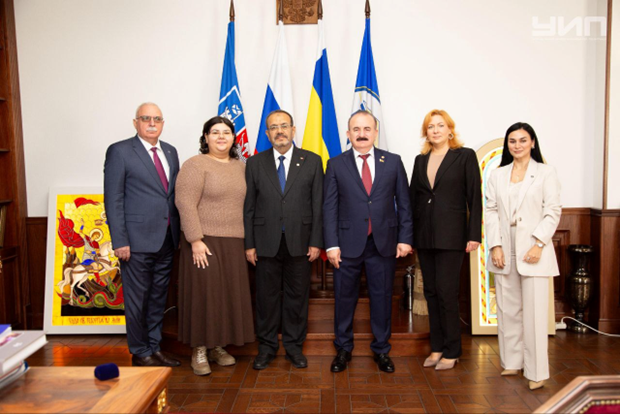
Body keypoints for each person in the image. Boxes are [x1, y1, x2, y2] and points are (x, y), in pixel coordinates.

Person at [323, 110, 413, 374]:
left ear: (375, 132)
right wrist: (331, 245)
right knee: (344, 299)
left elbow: (404, 204)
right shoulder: (335, 164)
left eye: (366, 129)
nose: (361, 134)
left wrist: (405, 238)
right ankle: (343, 349)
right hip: (346, 245)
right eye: (356, 129)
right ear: (348, 134)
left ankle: (382, 350)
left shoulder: (393, 161)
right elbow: (329, 207)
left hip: (383, 243)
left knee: (382, 298)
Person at [244, 110, 323, 370]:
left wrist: (316, 241)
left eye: (284, 126)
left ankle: (294, 347)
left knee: (297, 297)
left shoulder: (312, 161)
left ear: (293, 129)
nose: (279, 131)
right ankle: (266, 348)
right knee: (265, 298)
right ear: (267, 134)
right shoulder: (255, 163)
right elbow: (249, 207)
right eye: (274, 127)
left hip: (301, 241)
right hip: (265, 242)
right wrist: (249, 244)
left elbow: (318, 205)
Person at [175, 116, 255, 376]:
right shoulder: (195, 164)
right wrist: (195, 239)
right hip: (204, 241)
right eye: (215, 132)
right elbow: (185, 202)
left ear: (233, 138)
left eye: (226, 132)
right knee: (204, 295)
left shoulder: (241, 167)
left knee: (225, 296)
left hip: (234, 241)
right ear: (206, 137)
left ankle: (217, 346)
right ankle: (199, 349)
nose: (221, 137)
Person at [104, 102, 181, 367]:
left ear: (162, 123)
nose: (151, 123)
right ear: (135, 122)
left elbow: (171, 195)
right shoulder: (120, 151)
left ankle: (154, 347)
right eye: (146, 118)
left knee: (158, 298)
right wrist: (120, 240)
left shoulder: (170, 151)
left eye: (157, 119)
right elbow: (113, 198)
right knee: (138, 300)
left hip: (167, 239)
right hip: (135, 242)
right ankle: (140, 351)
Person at [485, 122, 561, 390]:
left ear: (532, 143)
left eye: (522, 140)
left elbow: (553, 211)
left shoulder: (545, 172)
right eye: (512, 141)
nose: (517, 145)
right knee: (508, 310)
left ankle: (537, 372)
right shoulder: (497, 175)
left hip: (533, 247)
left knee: (535, 313)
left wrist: (539, 244)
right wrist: (495, 245)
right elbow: (491, 211)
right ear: (507, 145)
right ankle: (512, 361)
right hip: (505, 246)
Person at [409, 109, 482, 371]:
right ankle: (437, 347)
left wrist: (474, 235)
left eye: (441, 125)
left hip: (452, 237)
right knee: (431, 292)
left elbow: (474, 198)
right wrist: (409, 236)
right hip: (425, 236)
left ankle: (453, 350)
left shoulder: (465, 156)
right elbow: (413, 199)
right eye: (431, 127)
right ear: (426, 132)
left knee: (447, 293)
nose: (436, 130)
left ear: (450, 129)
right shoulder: (420, 160)